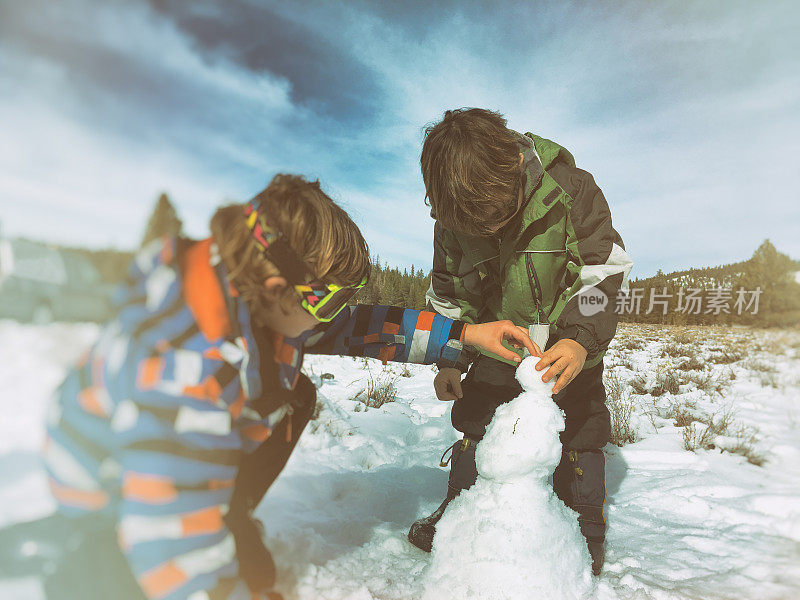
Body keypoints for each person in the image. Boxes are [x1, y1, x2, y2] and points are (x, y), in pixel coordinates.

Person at [40, 174, 537, 600]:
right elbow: (174, 544)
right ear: (279, 292)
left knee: (292, 395)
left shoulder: (249, 284)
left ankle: (223, 510)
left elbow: (357, 326)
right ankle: (106, 556)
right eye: (328, 303)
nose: (337, 316)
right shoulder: (186, 371)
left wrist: (466, 334)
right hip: (112, 497)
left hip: (169, 459)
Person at [407, 108, 633, 576]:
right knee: (475, 421)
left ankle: (583, 524)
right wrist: (448, 359)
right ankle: (461, 512)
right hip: (495, 353)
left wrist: (580, 342)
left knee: (581, 430)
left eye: (493, 216)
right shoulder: (451, 221)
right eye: (473, 223)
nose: (486, 229)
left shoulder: (572, 190)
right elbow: (448, 294)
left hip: (569, 357)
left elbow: (602, 278)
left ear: (511, 170)